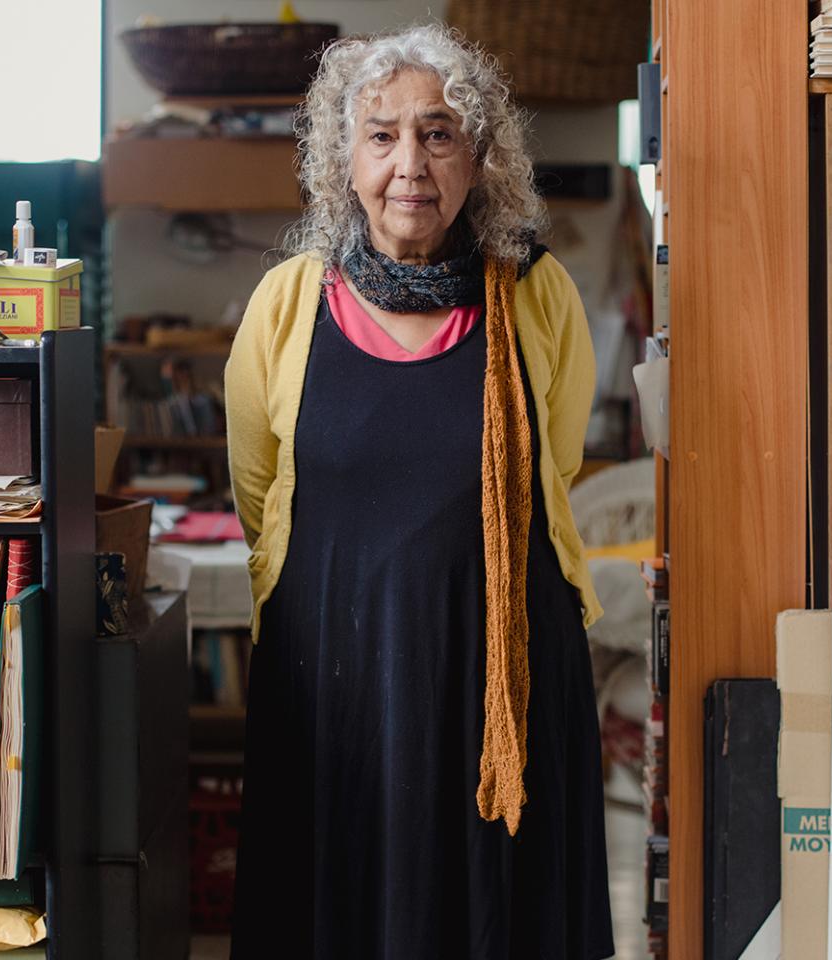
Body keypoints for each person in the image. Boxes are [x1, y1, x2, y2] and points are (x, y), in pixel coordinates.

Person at [225, 22, 614, 960]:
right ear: (343, 161)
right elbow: (257, 485)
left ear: (479, 158)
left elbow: (551, 466)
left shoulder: (536, 293)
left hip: (500, 679)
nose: (411, 163)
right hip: (336, 682)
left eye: (439, 134)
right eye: (383, 134)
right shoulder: (287, 302)